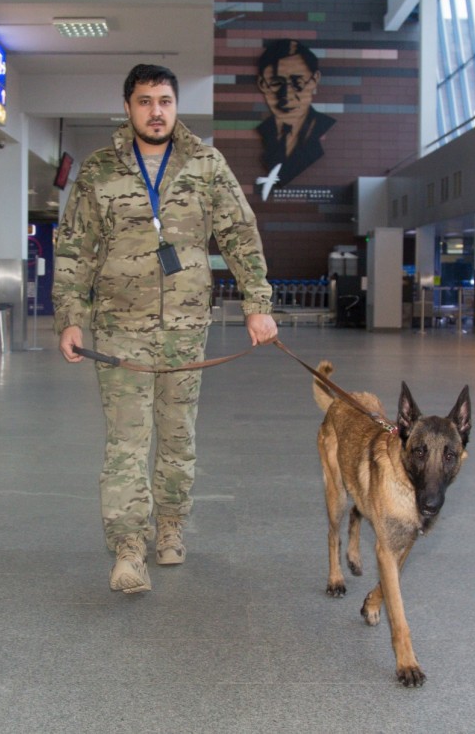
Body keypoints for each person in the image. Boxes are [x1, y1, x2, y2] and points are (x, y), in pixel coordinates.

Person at [53, 64, 277, 595]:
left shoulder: (206, 164)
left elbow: (240, 233)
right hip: (119, 328)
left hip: (186, 327)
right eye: (145, 101)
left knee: (178, 434)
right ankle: (129, 548)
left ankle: (171, 524)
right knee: (126, 442)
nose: (156, 111)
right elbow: (76, 247)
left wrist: (257, 304)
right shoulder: (99, 169)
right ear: (128, 107)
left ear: (176, 106)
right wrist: (70, 318)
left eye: (165, 101)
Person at [255, 39, 337, 194]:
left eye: (297, 82)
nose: (287, 96)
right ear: (263, 84)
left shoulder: (324, 127)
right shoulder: (265, 132)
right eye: (276, 83)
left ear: (314, 80)